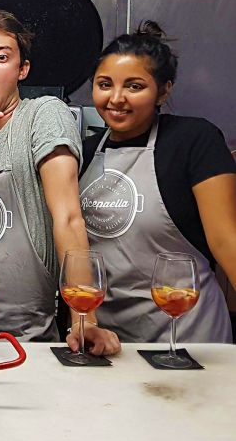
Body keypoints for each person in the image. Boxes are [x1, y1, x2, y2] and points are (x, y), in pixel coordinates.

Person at [0, 5, 120, 354]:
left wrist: (83, 317)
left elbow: (68, 217)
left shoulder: (42, 115)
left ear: (21, 69)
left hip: (28, 341)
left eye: (1, 57)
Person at [80, 21, 236, 343]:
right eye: (105, 84)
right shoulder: (84, 151)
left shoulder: (194, 140)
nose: (116, 98)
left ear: (164, 90)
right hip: (109, 340)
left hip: (187, 334)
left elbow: (226, 241)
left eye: (135, 86)